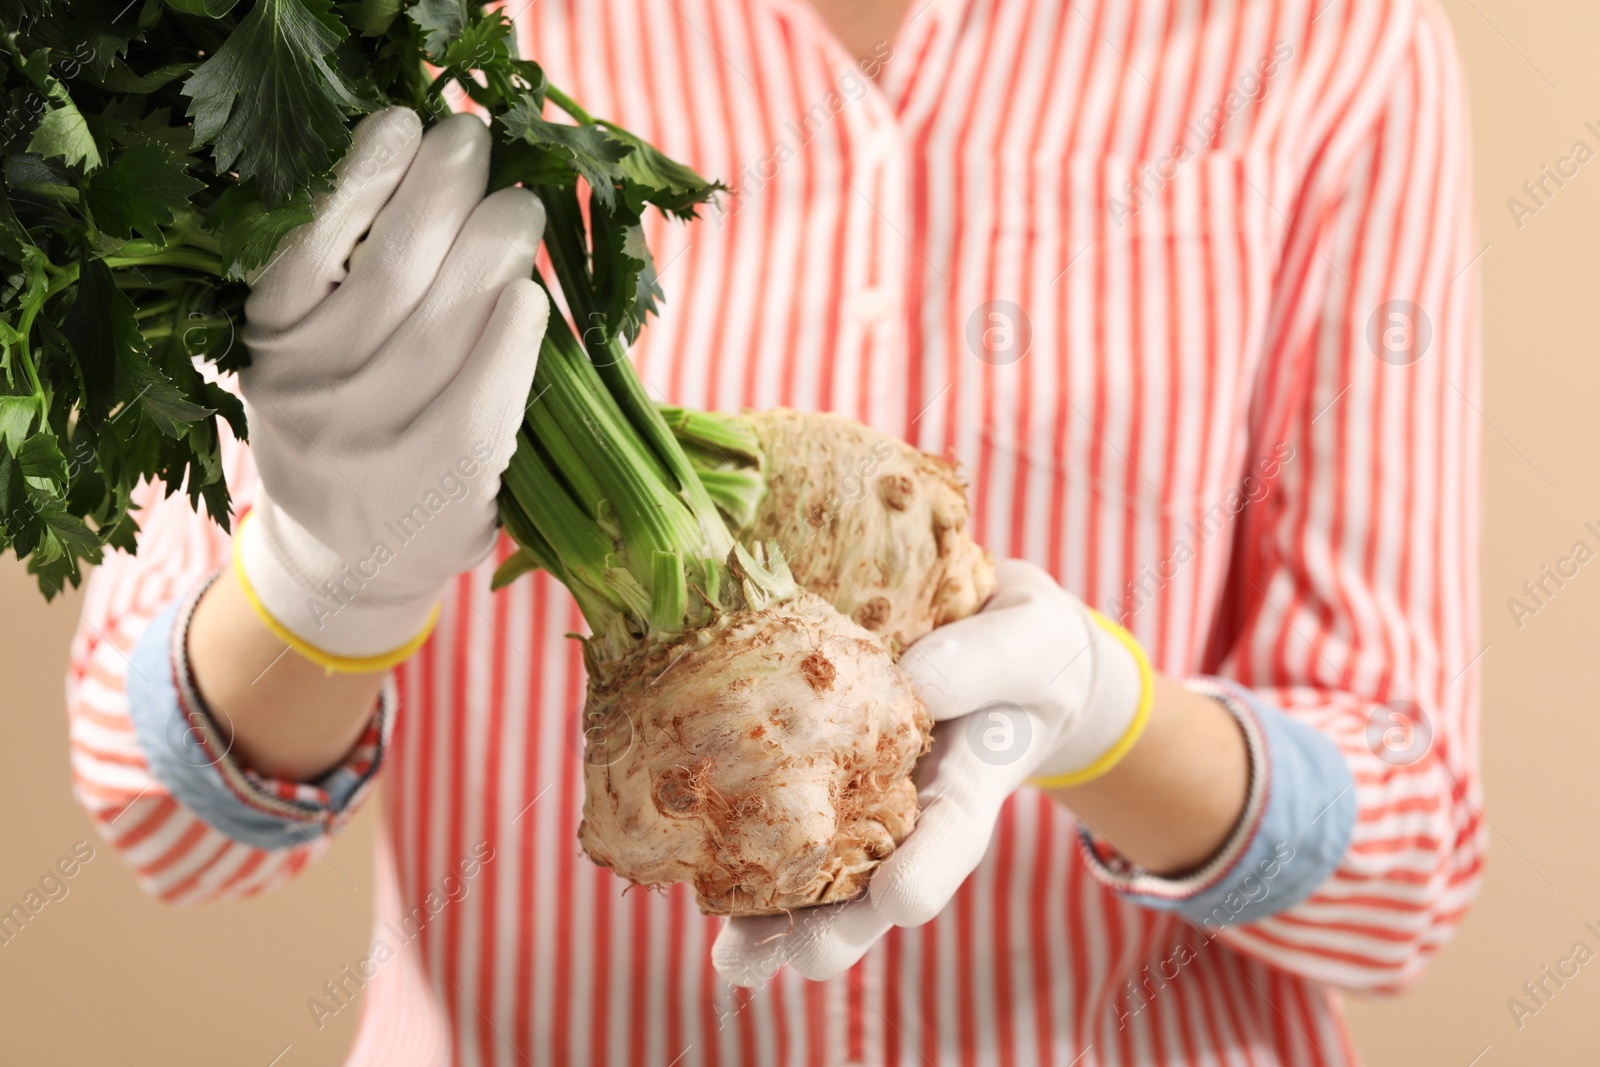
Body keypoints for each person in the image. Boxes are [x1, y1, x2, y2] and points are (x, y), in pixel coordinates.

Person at [65, 0, 1483, 1062]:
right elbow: (171, 820)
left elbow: (1406, 873)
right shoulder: (371, 27)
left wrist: (1107, 719)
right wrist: (325, 591)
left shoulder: (1326, 37)